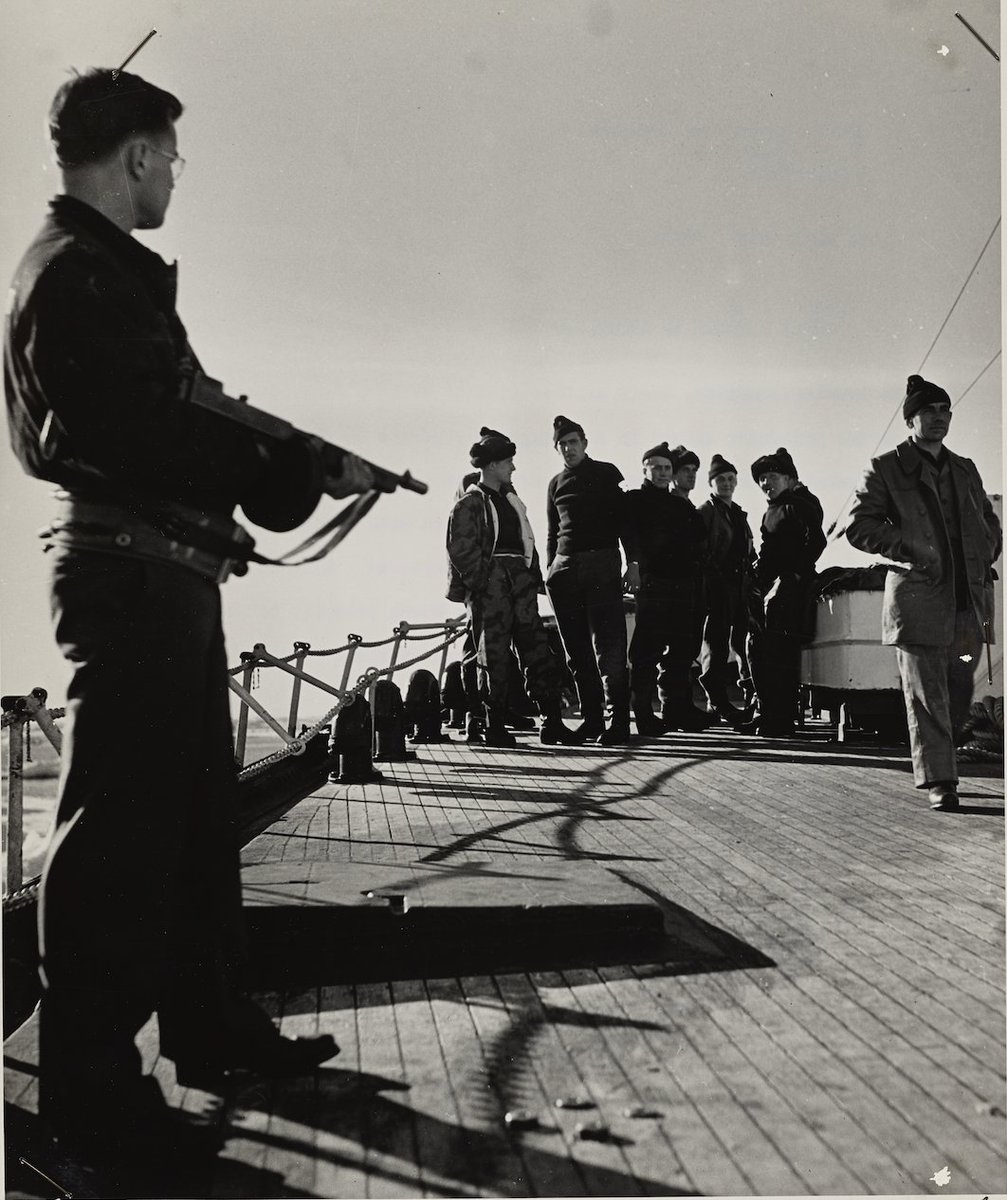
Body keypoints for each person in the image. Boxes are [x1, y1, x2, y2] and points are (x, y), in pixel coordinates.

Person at [3, 68, 369, 1167]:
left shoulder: (92, 272)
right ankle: (90, 1087)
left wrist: (276, 462)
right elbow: (148, 436)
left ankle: (208, 1027)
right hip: (133, 577)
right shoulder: (79, 278)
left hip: (161, 578)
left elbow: (165, 421)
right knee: (119, 833)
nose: (176, 175)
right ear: (140, 157)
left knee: (195, 823)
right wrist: (288, 466)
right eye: (171, 153)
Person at [846, 375, 1000, 810]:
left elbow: (989, 519)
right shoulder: (885, 467)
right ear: (910, 420)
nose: (939, 419)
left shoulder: (965, 467)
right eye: (929, 412)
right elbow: (860, 527)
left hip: (967, 603)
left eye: (945, 411)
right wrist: (911, 548)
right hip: (917, 601)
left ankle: (942, 768)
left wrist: (989, 546)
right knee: (927, 694)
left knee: (957, 691)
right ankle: (940, 781)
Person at [447, 428, 575, 747]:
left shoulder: (511, 500)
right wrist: (484, 582)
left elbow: (525, 539)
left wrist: (532, 578)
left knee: (537, 649)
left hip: (520, 582)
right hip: (492, 584)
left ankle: (552, 721)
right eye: (507, 463)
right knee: (493, 656)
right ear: (491, 465)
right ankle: (493, 725)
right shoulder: (470, 503)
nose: (512, 468)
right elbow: (460, 548)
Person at [545, 415, 632, 744]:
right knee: (576, 649)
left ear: (584, 443)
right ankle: (592, 719)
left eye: (573, 442)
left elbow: (626, 523)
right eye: (562, 444)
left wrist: (632, 563)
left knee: (608, 646)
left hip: (601, 563)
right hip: (565, 570)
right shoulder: (555, 484)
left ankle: (618, 722)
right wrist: (551, 569)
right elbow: (552, 532)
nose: (568, 449)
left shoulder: (606, 474)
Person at [625, 442, 711, 734]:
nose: (662, 473)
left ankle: (676, 708)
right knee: (647, 651)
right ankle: (643, 714)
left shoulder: (679, 505)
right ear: (645, 468)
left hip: (683, 585)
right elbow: (631, 537)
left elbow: (697, 540)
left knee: (682, 649)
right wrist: (634, 566)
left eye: (666, 468)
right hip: (654, 584)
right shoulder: (635, 500)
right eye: (657, 467)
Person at [744, 448, 826, 737]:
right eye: (762, 479)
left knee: (781, 653)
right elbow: (768, 553)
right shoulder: (771, 510)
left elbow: (816, 541)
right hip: (771, 590)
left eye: (773, 476)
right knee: (760, 648)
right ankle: (768, 711)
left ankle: (780, 719)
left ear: (790, 479)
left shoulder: (799, 503)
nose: (766, 483)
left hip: (792, 589)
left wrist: (793, 575)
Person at [698, 453, 756, 726]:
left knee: (743, 643)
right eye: (720, 479)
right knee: (716, 645)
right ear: (711, 483)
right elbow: (701, 552)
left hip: (740, 588)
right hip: (717, 588)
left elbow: (749, 551)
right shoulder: (706, 512)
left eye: (731, 478)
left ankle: (751, 698)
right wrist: (713, 582)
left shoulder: (739, 514)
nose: (726, 483)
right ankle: (717, 701)